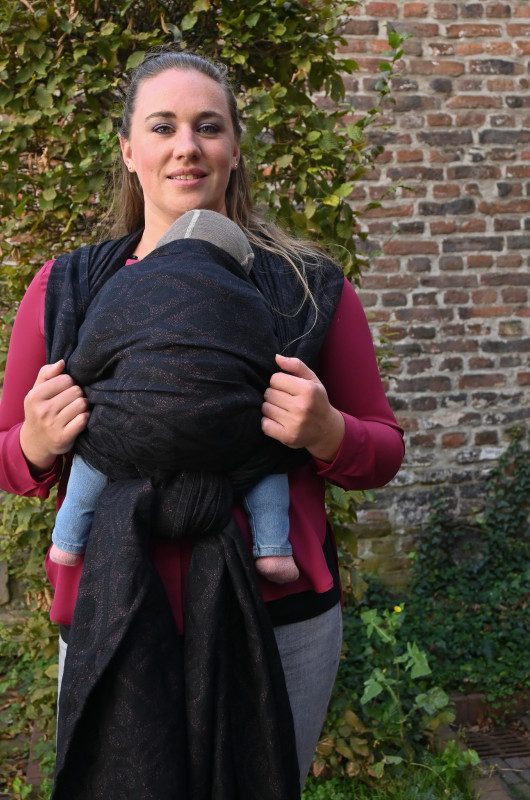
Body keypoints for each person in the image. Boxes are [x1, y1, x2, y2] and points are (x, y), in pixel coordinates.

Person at [0, 49, 404, 797]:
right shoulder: (67, 289)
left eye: (208, 127)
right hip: (109, 616)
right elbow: (6, 457)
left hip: (278, 623)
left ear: (235, 148)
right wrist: (34, 443)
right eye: (163, 127)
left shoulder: (308, 288)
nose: (186, 146)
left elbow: (382, 449)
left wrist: (327, 433)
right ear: (129, 150)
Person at [49, 208, 299, 585]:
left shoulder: (122, 282)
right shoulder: (251, 294)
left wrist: (80, 378)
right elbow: (268, 362)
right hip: (224, 428)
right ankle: (274, 548)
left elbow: (89, 352)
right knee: (269, 457)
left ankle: (67, 539)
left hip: (133, 420)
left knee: (95, 450)